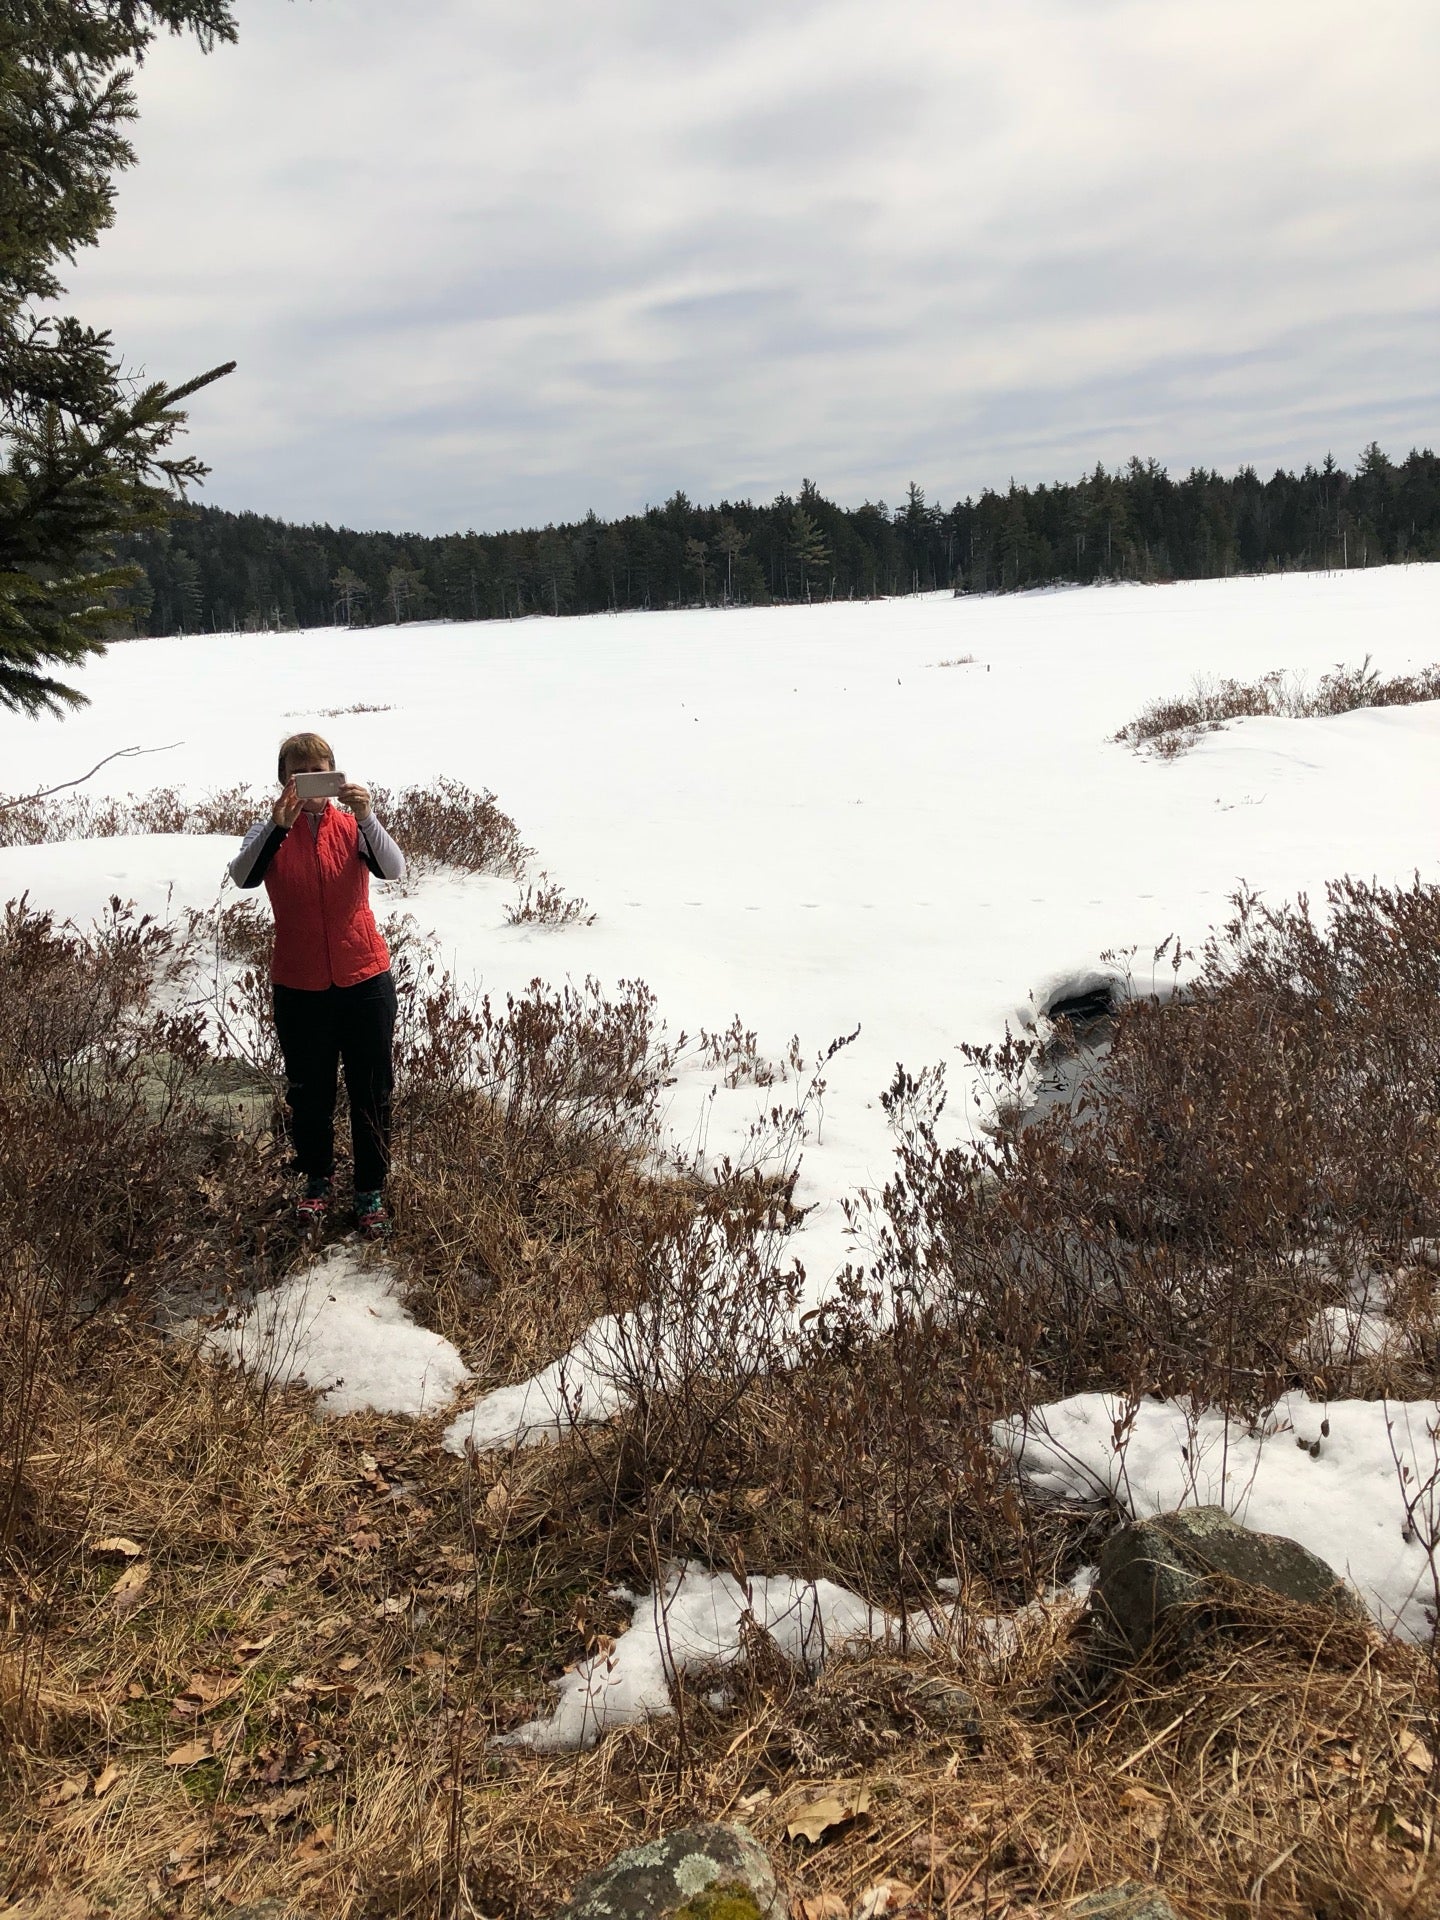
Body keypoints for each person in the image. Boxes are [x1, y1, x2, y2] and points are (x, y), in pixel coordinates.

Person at [229, 731, 406, 1236]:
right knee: (310, 1093)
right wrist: (274, 828)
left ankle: (370, 1191)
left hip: (365, 977)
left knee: (372, 1091)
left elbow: (394, 869)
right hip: (299, 982)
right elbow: (242, 877)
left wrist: (368, 816)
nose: (310, 779)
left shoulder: (353, 826)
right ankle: (316, 1184)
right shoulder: (266, 831)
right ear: (283, 778)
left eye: (320, 768)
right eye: (298, 770)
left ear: (334, 774)